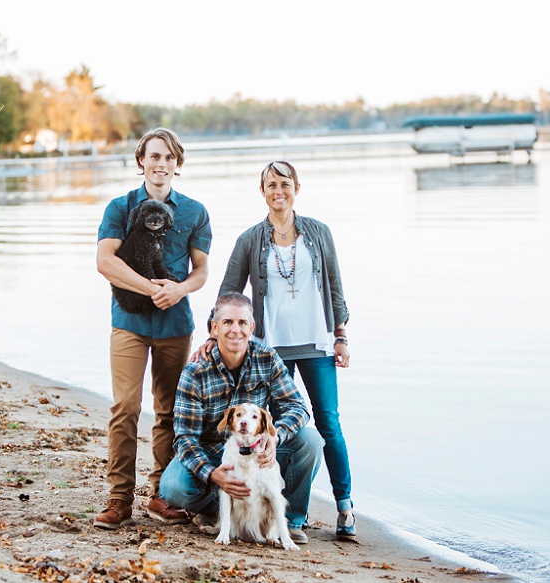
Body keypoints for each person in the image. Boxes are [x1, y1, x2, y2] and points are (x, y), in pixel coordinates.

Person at [193, 160, 356, 539]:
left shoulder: (319, 233)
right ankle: (290, 516)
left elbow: (335, 285)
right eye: (271, 185)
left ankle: (345, 506)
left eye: (285, 184)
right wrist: (212, 333)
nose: (278, 191)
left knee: (327, 422)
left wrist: (341, 334)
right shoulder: (250, 239)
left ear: (297, 187)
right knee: (274, 429)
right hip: (270, 348)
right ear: (262, 191)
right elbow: (228, 293)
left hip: (316, 343)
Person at [94, 128, 212, 529]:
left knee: (170, 411)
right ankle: (118, 500)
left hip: (176, 325)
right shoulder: (120, 207)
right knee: (125, 407)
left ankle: (160, 495)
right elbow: (105, 262)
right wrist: (150, 289)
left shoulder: (195, 211)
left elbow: (201, 271)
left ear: (178, 165)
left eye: (169, 158)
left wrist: (178, 290)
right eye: (154, 156)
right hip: (129, 322)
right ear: (141, 160)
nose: (161, 164)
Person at [159, 292, 324, 544]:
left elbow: (298, 407)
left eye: (242, 323)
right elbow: (184, 438)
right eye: (227, 322)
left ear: (252, 327)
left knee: (310, 440)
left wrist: (275, 435)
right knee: (173, 487)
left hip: (255, 452)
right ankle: (219, 510)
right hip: (213, 454)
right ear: (214, 327)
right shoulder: (195, 372)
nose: (235, 330)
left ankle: (289, 520)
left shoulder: (267, 358)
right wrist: (212, 473)